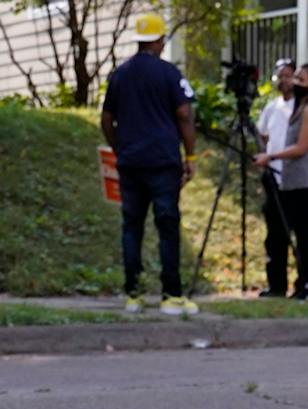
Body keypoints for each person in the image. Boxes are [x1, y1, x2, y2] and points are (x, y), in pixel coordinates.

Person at [99, 15, 198, 316]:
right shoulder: (168, 73)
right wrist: (190, 156)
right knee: (167, 226)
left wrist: (119, 148)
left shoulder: (120, 74)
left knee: (132, 227)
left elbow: (106, 119)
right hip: (163, 161)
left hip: (130, 162)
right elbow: (184, 114)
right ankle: (171, 296)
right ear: (159, 40)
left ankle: (134, 294)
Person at [253, 61, 308, 296]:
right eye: (294, 79)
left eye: (300, 79)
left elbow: (302, 147)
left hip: (302, 180)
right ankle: (277, 285)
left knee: (303, 234)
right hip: (283, 179)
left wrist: (271, 156)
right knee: (277, 234)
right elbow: (264, 133)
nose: (294, 83)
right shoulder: (288, 107)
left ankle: (305, 285)